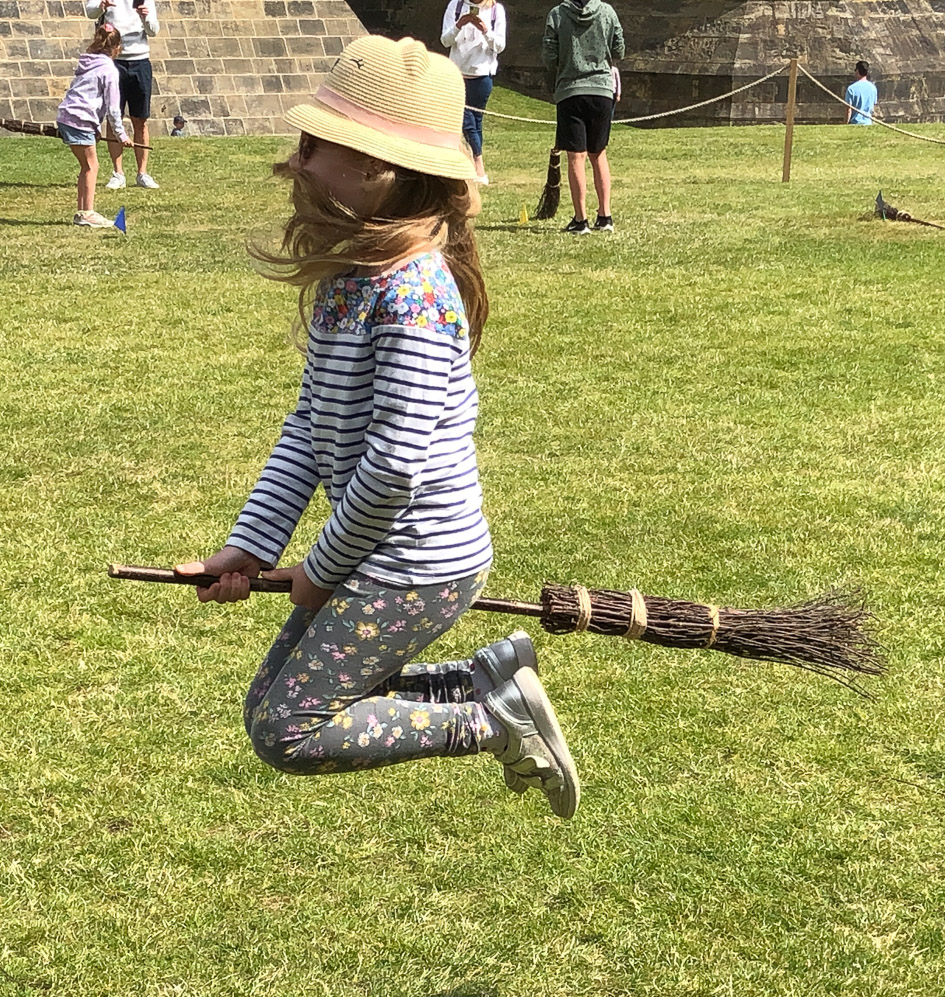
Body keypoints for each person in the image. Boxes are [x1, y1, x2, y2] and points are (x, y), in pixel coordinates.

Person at [174, 35, 580, 820]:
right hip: (378, 555)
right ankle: (487, 678)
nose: (297, 160)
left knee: (288, 728)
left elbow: (395, 466)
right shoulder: (351, 279)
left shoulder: (417, 295)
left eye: (314, 143)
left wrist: (321, 569)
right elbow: (309, 426)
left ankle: (488, 718)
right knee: (271, 703)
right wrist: (252, 544)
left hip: (418, 563)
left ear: (373, 166)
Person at [542, 0, 623, 234]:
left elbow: (549, 55)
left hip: (571, 91)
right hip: (601, 90)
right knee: (598, 154)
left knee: (576, 156)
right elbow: (619, 50)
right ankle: (605, 215)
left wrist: (564, 66)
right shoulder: (607, 12)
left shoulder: (557, 14)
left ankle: (580, 219)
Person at [56, 24, 133, 228]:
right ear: (117, 48)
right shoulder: (109, 70)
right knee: (91, 166)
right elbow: (113, 109)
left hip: (66, 116)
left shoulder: (87, 64)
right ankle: (88, 213)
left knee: (86, 166)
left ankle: (82, 212)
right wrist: (121, 135)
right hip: (80, 119)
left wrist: (95, 130)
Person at [86, 0, 159, 189]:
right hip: (113, 60)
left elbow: (153, 30)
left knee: (140, 119)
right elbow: (90, 12)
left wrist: (145, 17)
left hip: (140, 60)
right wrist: (101, 5)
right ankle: (118, 173)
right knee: (113, 116)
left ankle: (142, 172)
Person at [441, 0, 507, 185]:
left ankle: (472, 165)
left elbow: (500, 46)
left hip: (482, 75)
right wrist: (459, 25)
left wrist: (485, 30)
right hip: (457, 74)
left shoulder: (495, 10)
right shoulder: (455, 5)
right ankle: (478, 164)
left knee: (476, 123)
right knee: (465, 121)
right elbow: (445, 41)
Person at [845, 60, 878, 125]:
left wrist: (845, 123)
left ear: (857, 71)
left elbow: (848, 110)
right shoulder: (873, 88)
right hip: (868, 122)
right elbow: (873, 108)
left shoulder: (851, 89)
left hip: (855, 122)